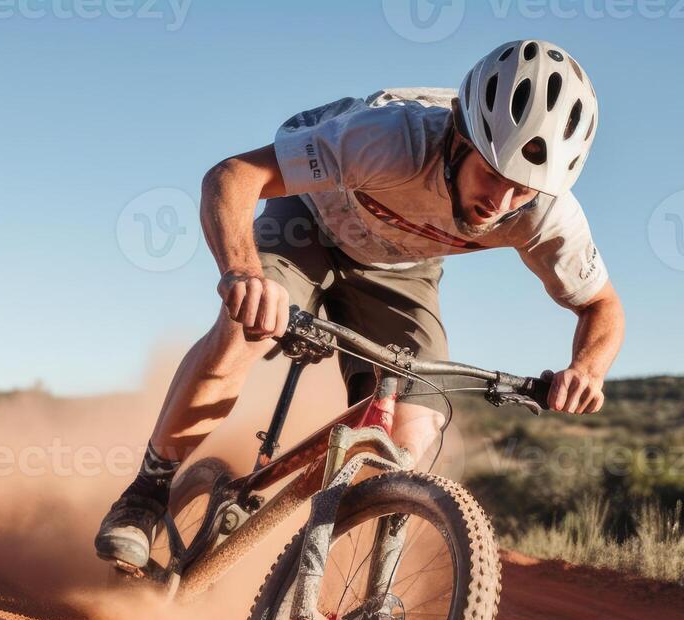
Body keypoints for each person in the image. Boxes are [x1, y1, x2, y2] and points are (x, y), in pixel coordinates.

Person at [96, 38, 625, 569]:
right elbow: (233, 176)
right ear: (459, 138)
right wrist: (243, 273)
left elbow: (601, 305)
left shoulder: (546, 213)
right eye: (491, 174)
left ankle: (334, 574)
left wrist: (587, 369)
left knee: (415, 428)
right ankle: (146, 493)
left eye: (523, 191)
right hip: (309, 222)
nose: (501, 204)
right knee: (242, 333)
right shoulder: (388, 141)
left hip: (400, 268)